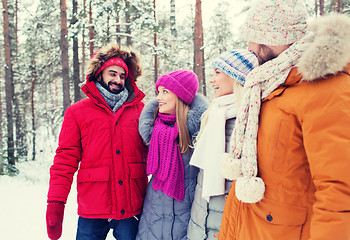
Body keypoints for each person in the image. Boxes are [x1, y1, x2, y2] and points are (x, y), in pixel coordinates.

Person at [218, 0, 350, 239]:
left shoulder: (328, 90)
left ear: (270, 38)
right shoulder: (269, 83)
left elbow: (340, 190)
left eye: (252, 37)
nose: (249, 47)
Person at [46, 44, 148, 240]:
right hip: (93, 205)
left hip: (132, 204)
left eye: (122, 75)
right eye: (112, 73)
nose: (118, 79)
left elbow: (156, 153)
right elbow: (65, 159)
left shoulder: (140, 111)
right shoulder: (77, 112)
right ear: (99, 73)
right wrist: (56, 202)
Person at [187, 50, 258, 240]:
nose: (211, 80)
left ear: (236, 77)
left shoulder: (250, 125)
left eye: (218, 73)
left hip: (226, 229)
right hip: (200, 225)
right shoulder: (215, 114)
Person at [135, 70, 209, 240]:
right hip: (152, 221)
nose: (158, 97)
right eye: (158, 92)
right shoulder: (153, 130)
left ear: (181, 96)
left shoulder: (200, 133)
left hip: (187, 221)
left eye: (165, 92)